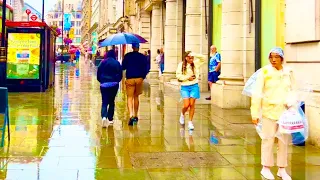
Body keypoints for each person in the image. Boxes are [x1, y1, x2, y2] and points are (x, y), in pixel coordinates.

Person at [251, 47, 294, 180]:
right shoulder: (264, 72)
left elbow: (293, 90)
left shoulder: (288, 72)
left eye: (276, 57)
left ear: (282, 58)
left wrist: (291, 102)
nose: (273, 59)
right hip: (268, 111)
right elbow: (257, 93)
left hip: (285, 113)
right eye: (271, 57)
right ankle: (266, 167)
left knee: (283, 141)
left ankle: (282, 169)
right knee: (268, 139)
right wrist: (255, 113)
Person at [176, 51, 205, 130]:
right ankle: (182, 114)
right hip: (185, 86)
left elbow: (204, 58)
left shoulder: (195, 64)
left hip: (194, 86)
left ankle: (190, 122)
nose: (191, 59)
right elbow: (178, 76)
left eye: (192, 58)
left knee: (192, 104)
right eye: (189, 57)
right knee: (186, 105)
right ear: (186, 58)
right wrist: (187, 78)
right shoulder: (181, 65)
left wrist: (195, 54)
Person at [122, 43, 149, 125]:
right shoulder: (142, 57)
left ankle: (130, 115)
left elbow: (123, 67)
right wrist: (143, 77)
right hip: (139, 79)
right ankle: (136, 115)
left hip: (130, 78)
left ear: (132, 47)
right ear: (138, 48)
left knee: (129, 97)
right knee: (136, 97)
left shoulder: (127, 56)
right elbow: (146, 67)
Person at [97, 49, 123, 127]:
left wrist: (101, 81)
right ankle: (110, 119)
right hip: (113, 84)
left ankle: (104, 117)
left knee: (104, 101)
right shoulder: (117, 63)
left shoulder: (102, 62)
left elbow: (98, 73)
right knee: (112, 101)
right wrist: (117, 81)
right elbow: (120, 74)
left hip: (104, 84)